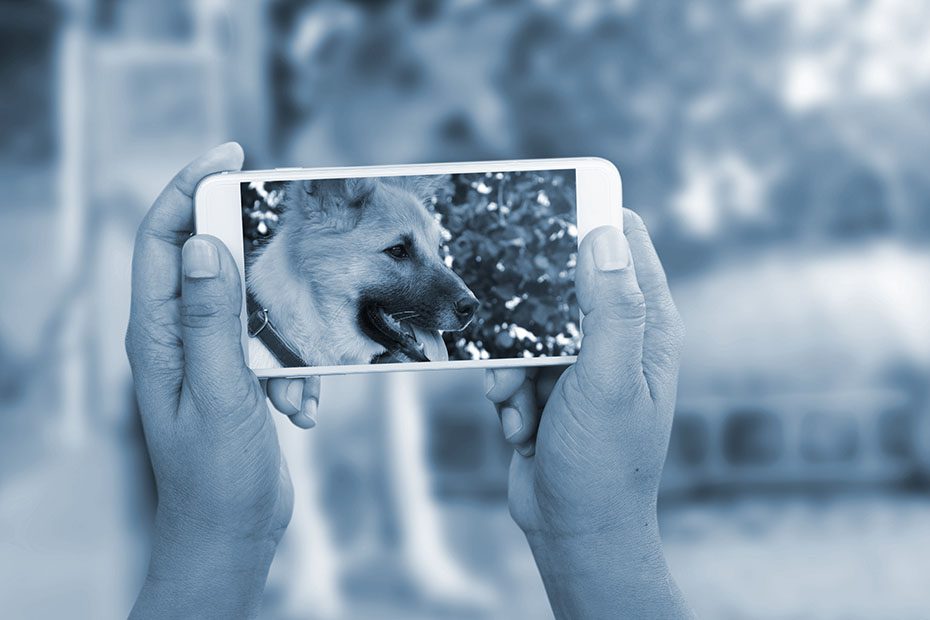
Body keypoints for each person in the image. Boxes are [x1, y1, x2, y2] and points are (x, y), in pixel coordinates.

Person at [126, 143, 694, 619]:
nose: (454, 288)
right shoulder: (246, 360)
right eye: (400, 252)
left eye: (434, 252)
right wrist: (601, 537)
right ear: (319, 212)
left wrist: (212, 539)